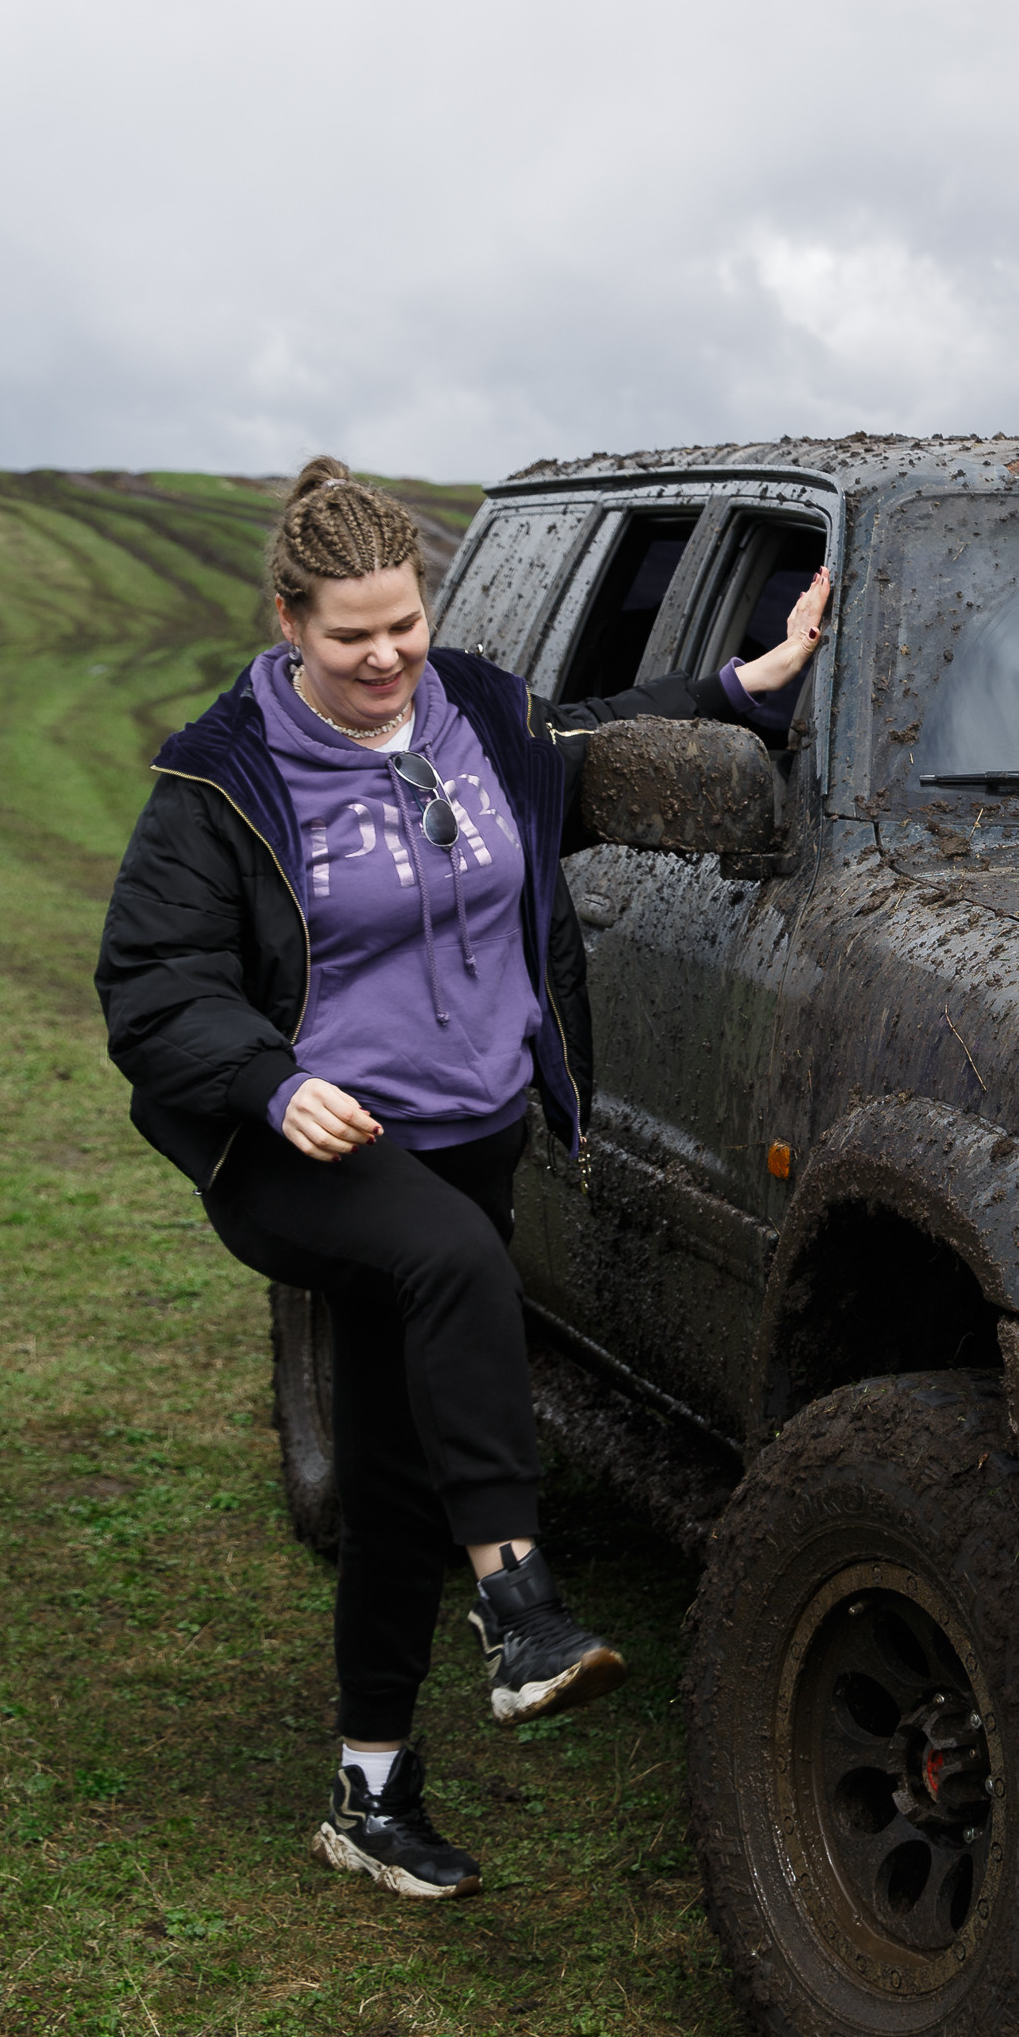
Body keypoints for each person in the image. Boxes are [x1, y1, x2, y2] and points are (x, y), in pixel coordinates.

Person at [94, 458, 829, 1902]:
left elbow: (602, 742)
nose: (384, 660)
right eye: (350, 636)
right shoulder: (222, 776)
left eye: (404, 627)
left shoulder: (479, 710)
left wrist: (758, 677)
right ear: (290, 622)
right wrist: (272, 1080)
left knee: (388, 1472)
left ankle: (370, 1795)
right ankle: (519, 1604)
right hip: (314, 1146)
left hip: (470, 1128)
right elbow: (151, 983)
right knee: (458, 1266)